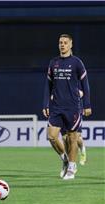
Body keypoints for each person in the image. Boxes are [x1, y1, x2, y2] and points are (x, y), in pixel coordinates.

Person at [42, 34, 91, 180]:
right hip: (56, 106)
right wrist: (45, 103)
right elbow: (48, 85)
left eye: (65, 43)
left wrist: (87, 104)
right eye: (60, 42)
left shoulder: (77, 63)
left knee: (72, 138)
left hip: (73, 106)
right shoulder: (53, 63)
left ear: (71, 45)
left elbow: (85, 85)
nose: (62, 45)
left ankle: (72, 167)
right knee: (51, 136)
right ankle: (65, 159)